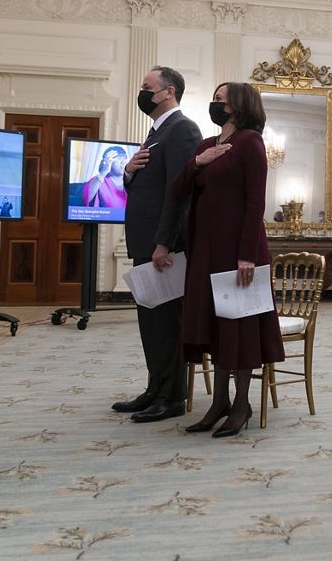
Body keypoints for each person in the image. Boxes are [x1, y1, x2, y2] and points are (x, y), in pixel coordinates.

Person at [172, 82, 284, 438]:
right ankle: (217, 402)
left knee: (239, 327)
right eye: (214, 99)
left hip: (239, 251)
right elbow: (177, 190)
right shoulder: (207, 145)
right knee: (215, 327)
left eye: (220, 100)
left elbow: (256, 202)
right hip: (205, 250)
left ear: (238, 106)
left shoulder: (250, 142)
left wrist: (247, 255)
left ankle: (240, 405)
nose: (214, 104)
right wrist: (196, 162)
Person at [113, 66, 202, 423]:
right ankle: (154, 389)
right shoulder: (155, 133)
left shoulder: (183, 129)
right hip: (145, 242)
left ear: (168, 92)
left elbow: (179, 193)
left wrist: (165, 242)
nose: (142, 91)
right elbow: (147, 186)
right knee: (150, 322)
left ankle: (173, 397)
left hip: (163, 247)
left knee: (167, 324)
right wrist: (128, 172)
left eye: (146, 86)